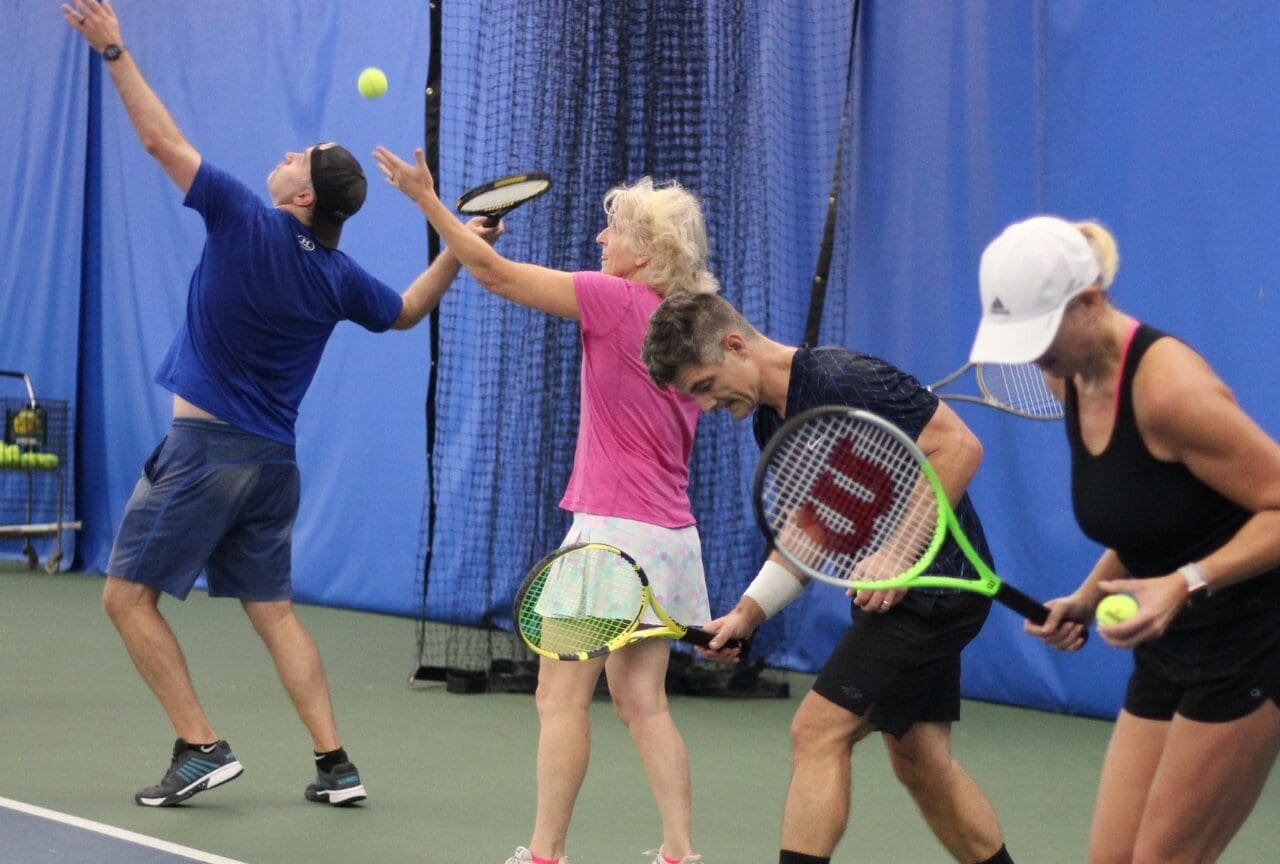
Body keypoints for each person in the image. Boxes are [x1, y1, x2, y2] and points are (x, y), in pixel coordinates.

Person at [62, 0, 496, 808]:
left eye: (303, 156)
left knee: (125, 598)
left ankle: (199, 745)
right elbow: (405, 312)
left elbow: (159, 138)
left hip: (205, 457)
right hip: (273, 467)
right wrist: (461, 250)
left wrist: (115, 51)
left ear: (302, 197)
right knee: (274, 614)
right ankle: (336, 765)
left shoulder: (243, 220)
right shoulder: (336, 277)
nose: (291, 153)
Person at [375, 146, 720, 864]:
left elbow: (495, 275)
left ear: (647, 250)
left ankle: (543, 855)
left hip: (609, 541)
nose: (601, 240)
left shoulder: (617, 299)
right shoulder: (697, 322)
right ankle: (682, 853)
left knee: (559, 699)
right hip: (672, 541)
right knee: (644, 703)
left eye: (614, 229)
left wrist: (429, 204)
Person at [642, 292, 1017, 864]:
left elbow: (959, 446)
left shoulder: (843, 378)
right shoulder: (773, 421)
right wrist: (749, 611)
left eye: (704, 385)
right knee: (920, 759)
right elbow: (814, 527)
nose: (708, 404)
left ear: (735, 345)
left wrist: (895, 553)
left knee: (816, 732)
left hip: (936, 587)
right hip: (893, 595)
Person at [968, 215, 1280, 863]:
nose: (1032, 355)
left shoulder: (1170, 393)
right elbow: (1150, 514)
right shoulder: (1068, 376)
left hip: (1252, 641)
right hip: (1172, 642)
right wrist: (1087, 594)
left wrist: (1188, 582)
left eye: (1041, 334)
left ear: (1090, 302)